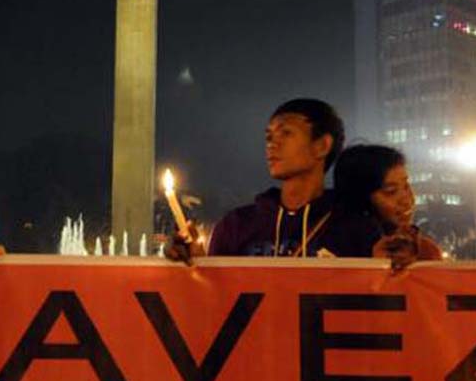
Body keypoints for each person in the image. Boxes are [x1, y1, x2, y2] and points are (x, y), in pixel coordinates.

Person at [167, 98, 381, 260]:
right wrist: (194, 262)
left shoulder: (357, 230)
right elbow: (213, 296)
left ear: (322, 146)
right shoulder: (236, 226)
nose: (272, 144)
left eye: (285, 133)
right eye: (268, 136)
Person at [332, 144, 443, 270]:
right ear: (360, 199)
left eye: (406, 186)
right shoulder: (335, 252)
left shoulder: (426, 251)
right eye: (391, 191)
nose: (406, 199)